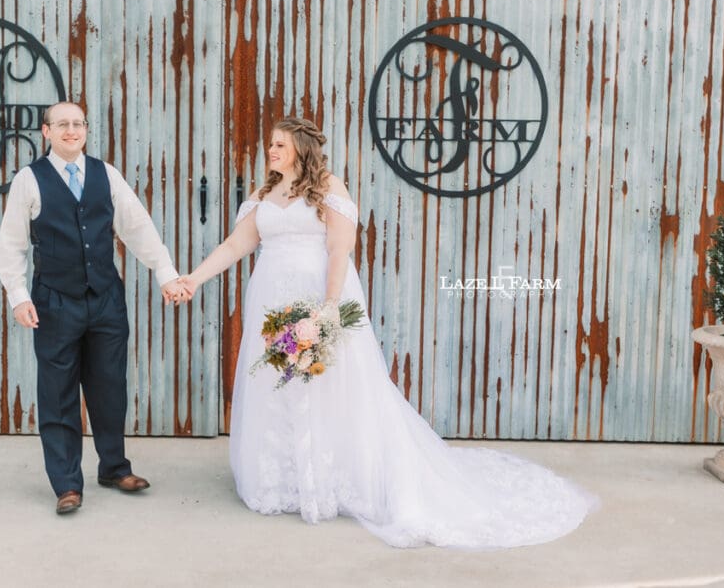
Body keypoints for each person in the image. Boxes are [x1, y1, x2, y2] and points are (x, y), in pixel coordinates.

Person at [178, 117, 597, 548]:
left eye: (280, 145)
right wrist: (194, 278)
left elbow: (339, 249)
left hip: (318, 298)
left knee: (328, 387)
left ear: (301, 148)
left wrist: (328, 309)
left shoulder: (328, 188)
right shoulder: (265, 194)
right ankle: (282, 481)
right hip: (270, 299)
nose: (271, 151)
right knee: (278, 383)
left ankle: (327, 479)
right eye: (270, 145)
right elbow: (234, 246)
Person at [0, 102, 189, 515]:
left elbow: (137, 227)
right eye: (62, 124)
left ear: (86, 129)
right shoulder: (29, 180)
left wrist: (166, 273)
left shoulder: (107, 175)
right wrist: (18, 296)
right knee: (58, 394)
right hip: (53, 301)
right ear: (46, 131)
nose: (72, 130)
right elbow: (11, 243)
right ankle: (67, 484)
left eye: (78, 123)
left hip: (105, 299)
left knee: (109, 388)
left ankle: (114, 467)